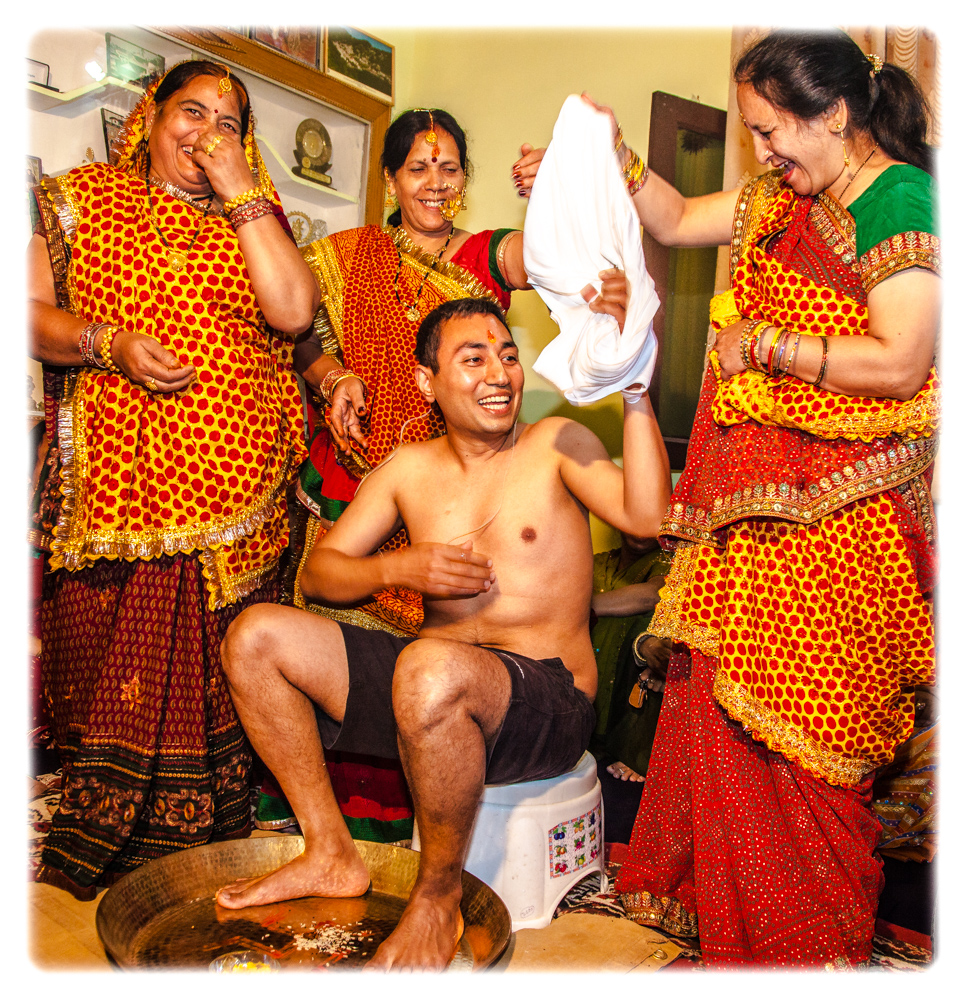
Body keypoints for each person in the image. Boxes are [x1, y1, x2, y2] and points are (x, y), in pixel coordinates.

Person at [584, 30, 939, 967]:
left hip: (844, 531)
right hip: (748, 530)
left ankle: (810, 954)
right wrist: (605, 151)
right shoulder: (773, 201)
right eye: (751, 136)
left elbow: (901, 362)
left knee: (811, 758)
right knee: (728, 730)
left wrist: (766, 344)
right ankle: (745, 953)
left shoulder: (900, 196)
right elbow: (667, 218)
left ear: (832, 113)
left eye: (771, 132)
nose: (763, 154)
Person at [214, 295, 671, 969]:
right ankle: (328, 850)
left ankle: (437, 896)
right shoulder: (408, 469)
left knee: (430, 668)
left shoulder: (555, 445)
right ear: (428, 383)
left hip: (545, 703)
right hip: (428, 689)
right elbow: (320, 574)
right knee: (255, 637)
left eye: (508, 356)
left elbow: (646, 517)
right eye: (474, 357)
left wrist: (635, 393)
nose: (499, 374)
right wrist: (403, 564)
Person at [27, 60, 319, 899]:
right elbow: (29, 313)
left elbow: (294, 313)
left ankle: (208, 838)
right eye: (191, 112)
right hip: (122, 486)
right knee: (117, 663)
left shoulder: (248, 219)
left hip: (239, 492)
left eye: (228, 122)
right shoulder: (84, 198)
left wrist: (245, 193)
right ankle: (104, 829)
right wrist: (108, 345)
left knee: (220, 668)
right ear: (149, 120)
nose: (206, 132)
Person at [254, 108, 539, 842]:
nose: (434, 184)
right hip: (351, 486)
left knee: (424, 665)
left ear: (466, 180)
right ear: (390, 177)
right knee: (331, 646)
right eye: (418, 168)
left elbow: (546, 255)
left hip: (445, 493)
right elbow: (293, 329)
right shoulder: (345, 255)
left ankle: (411, 821)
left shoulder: (479, 257)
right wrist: (330, 375)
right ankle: (320, 824)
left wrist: (554, 191)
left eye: (449, 169)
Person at [589, 533, 671, 783]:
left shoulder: (669, 562)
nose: (640, 531)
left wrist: (576, 607)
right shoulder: (596, 561)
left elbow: (652, 595)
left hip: (627, 714)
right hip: (581, 696)